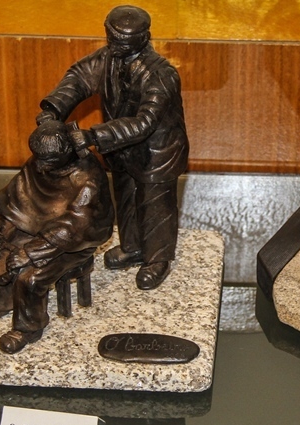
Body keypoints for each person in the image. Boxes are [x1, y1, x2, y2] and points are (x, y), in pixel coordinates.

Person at [37, 5, 189, 290]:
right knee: (126, 197)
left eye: (124, 41)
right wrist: (53, 108)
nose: (116, 45)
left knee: (155, 205)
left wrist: (93, 136)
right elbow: (78, 78)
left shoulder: (161, 74)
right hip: (121, 148)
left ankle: (157, 259)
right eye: (112, 38)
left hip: (157, 153)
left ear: (144, 37)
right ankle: (132, 246)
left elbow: (144, 122)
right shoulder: (107, 57)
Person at [0, 120, 114, 353]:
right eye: (38, 159)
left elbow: (76, 227)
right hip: (36, 230)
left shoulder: (87, 180)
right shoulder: (40, 163)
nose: (41, 166)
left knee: (30, 278)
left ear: (67, 153)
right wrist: (1, 233)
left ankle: (28, 327)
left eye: (48, 161)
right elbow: (16, 202)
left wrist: (30, 253)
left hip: (71, 244)